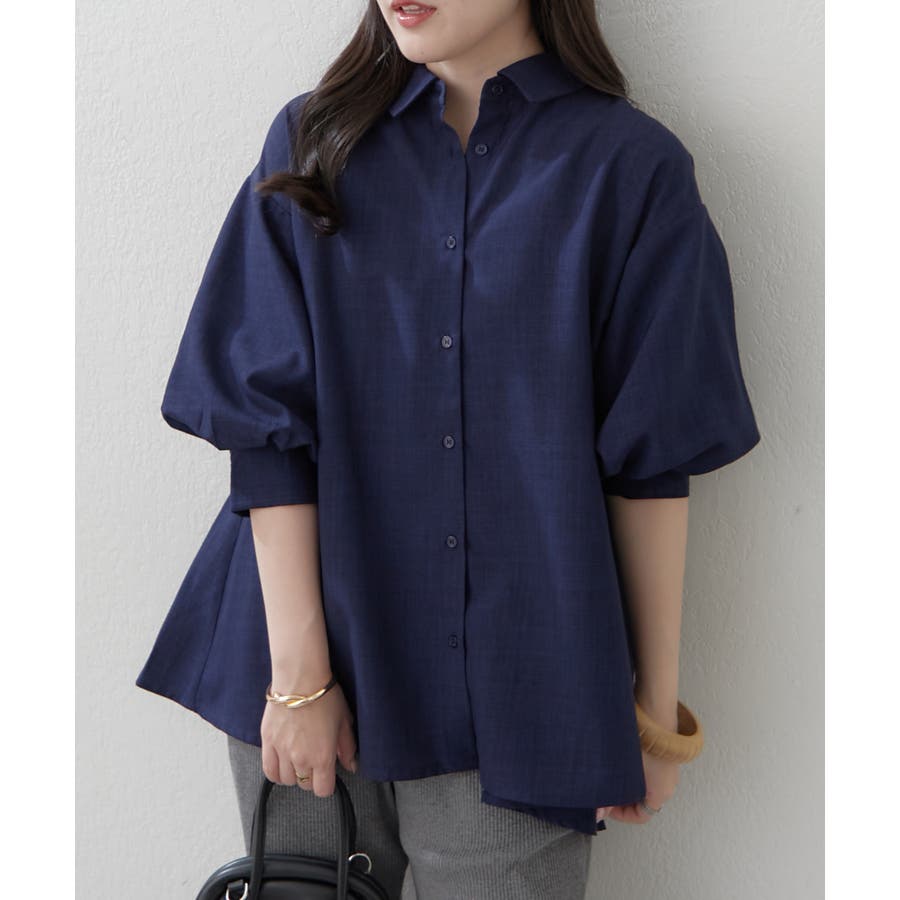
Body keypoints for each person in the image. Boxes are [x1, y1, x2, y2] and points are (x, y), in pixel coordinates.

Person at [136, 1, 761, 898]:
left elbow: (653, 461)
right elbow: (265, 430)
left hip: (528, 681)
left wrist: (653, 716)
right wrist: (300, 681)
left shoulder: (630, 169)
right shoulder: (314, 141)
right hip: (306, 657)